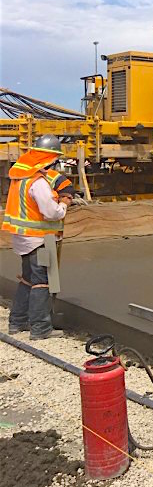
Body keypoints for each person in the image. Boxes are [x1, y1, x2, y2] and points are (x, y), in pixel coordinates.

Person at [2, 135, 71, 339]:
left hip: (23, 239)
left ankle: (17, 322)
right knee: (42, 282)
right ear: (48, 158)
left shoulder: (20, 178)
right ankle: (40, 329)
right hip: (40, 240)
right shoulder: (38, 182)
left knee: (27, 280)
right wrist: (64, 203)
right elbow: (51, 212)